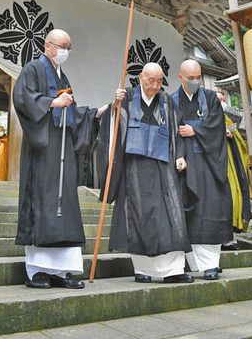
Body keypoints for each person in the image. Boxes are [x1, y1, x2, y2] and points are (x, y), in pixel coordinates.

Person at [13, 29, 105, 289]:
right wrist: (52, 103)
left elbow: (72, 112)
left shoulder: (63, 76)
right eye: (60, 45)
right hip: (43, 149)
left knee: (66, 207)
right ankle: (38, 271)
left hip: (63, 146)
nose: (64, 50)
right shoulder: (33, 69)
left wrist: (95, 114)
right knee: (43, 202)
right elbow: (22, 98)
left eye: (68, 46)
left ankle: (63, 271)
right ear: (47, 45)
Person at [98, 63, 194, 284]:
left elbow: (177, 132)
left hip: (163, 164)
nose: (155, 85)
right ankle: (144, 269)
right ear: (141, 77)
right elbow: (110, 126)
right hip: (135, 165)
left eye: (160, 81)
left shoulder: (167, 101)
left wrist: (180, 155)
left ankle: (173, 270)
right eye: (151, 80)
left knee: (172, 213)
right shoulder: (127, 96)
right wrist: (115, 106)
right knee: (139, 215)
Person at [171, 60, 232, 280]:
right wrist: (178, 155)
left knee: (211, 209)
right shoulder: (172, 100)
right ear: (180, 77)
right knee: (191, 212)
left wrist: (194, 129)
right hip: (186, 162)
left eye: (198, 77)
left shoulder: (211, 98)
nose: (195, 81)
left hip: (209, 162)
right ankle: (195, 264)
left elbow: (217, 126)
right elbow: (170, 131)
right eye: (191, 78)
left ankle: (211, 264)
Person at [217, 92, 252, 251]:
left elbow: (240, 142)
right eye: (218, 99)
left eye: (222, 99)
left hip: (231, 165)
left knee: (234, 199)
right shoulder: (207, 117)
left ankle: (231, 239)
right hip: (217, 166)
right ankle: (222, 240)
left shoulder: (228, 119)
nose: (221, 101)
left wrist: (231, 136)